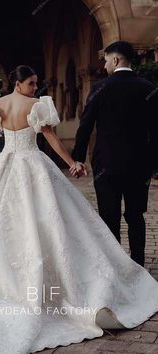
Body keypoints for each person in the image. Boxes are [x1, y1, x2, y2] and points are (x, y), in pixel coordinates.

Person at [0, 65, 158, 354]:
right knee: (45, 219)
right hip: (31, 164)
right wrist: (72, 162)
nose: (36, 88)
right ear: (18, 82)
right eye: (32, 83)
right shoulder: (35, 106)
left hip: (3, 165)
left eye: (36, 84)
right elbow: (51, 138)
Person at [72, 41, 158, 268]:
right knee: (135, 216)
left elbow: (85, 125)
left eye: (107, 59)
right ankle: (138, 265)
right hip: (139, 166)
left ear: (116, 60)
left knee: (109, 218)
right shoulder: (148, 88)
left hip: (106, 165)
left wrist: (77, 158)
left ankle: (115, 267)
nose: (105, 64)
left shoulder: (100, 87)